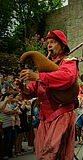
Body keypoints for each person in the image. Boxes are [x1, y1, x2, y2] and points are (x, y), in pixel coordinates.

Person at [15, 30, 79, 160]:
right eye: (48, 42)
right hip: (45, 118)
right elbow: (34, 89)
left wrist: (38, 76)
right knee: (43, 154)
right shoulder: (45, 66)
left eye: (53, 42)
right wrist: (24, 88)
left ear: (62, 46)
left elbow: (67, 77)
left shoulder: (69, 61)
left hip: (61, 114)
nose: (49, 45)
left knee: (51, 154)